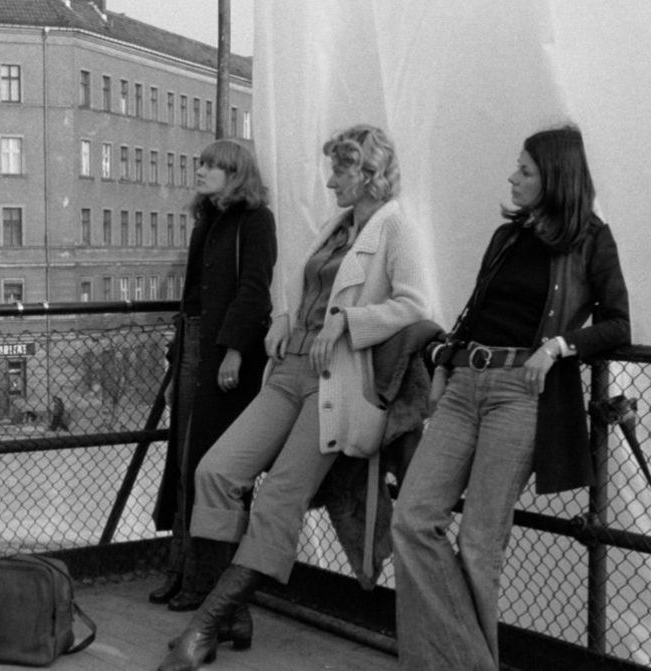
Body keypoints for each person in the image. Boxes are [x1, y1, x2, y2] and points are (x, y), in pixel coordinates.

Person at [158, 125, 436, 671]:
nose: (331, 179)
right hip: (290, 369)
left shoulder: (395, 227)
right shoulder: (339, 227)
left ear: (370, 174)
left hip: (335, 382)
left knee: (280, 497)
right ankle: (235, 614)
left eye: (341, 169)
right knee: (215, 471)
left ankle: (207, 625)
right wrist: (285, 317)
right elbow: (307, 287)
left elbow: (414, 305)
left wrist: (349, 322)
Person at [392, 125, 631, 671]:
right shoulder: (507, 237)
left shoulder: (593, 239)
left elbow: (618, 323)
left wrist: (562, 345)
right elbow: (476, 311)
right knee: (412, 518)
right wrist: (443, 364)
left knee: (479, 544)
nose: (512, 177)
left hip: (521, 394)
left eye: (524, 170)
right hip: (462, 388)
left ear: (555, 176)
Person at [149, 139, 276, 611]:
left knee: (209, 466)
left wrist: (233, 352)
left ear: (235, 173)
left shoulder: (255, 221)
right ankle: (182, 571)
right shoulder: (209, 219)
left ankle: (207, 585)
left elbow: (254, 291)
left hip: (223, 354)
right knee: (183, 463)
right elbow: (195, 295)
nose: (199, 170)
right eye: (200, 162)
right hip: (194, 344)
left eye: (211, 166)